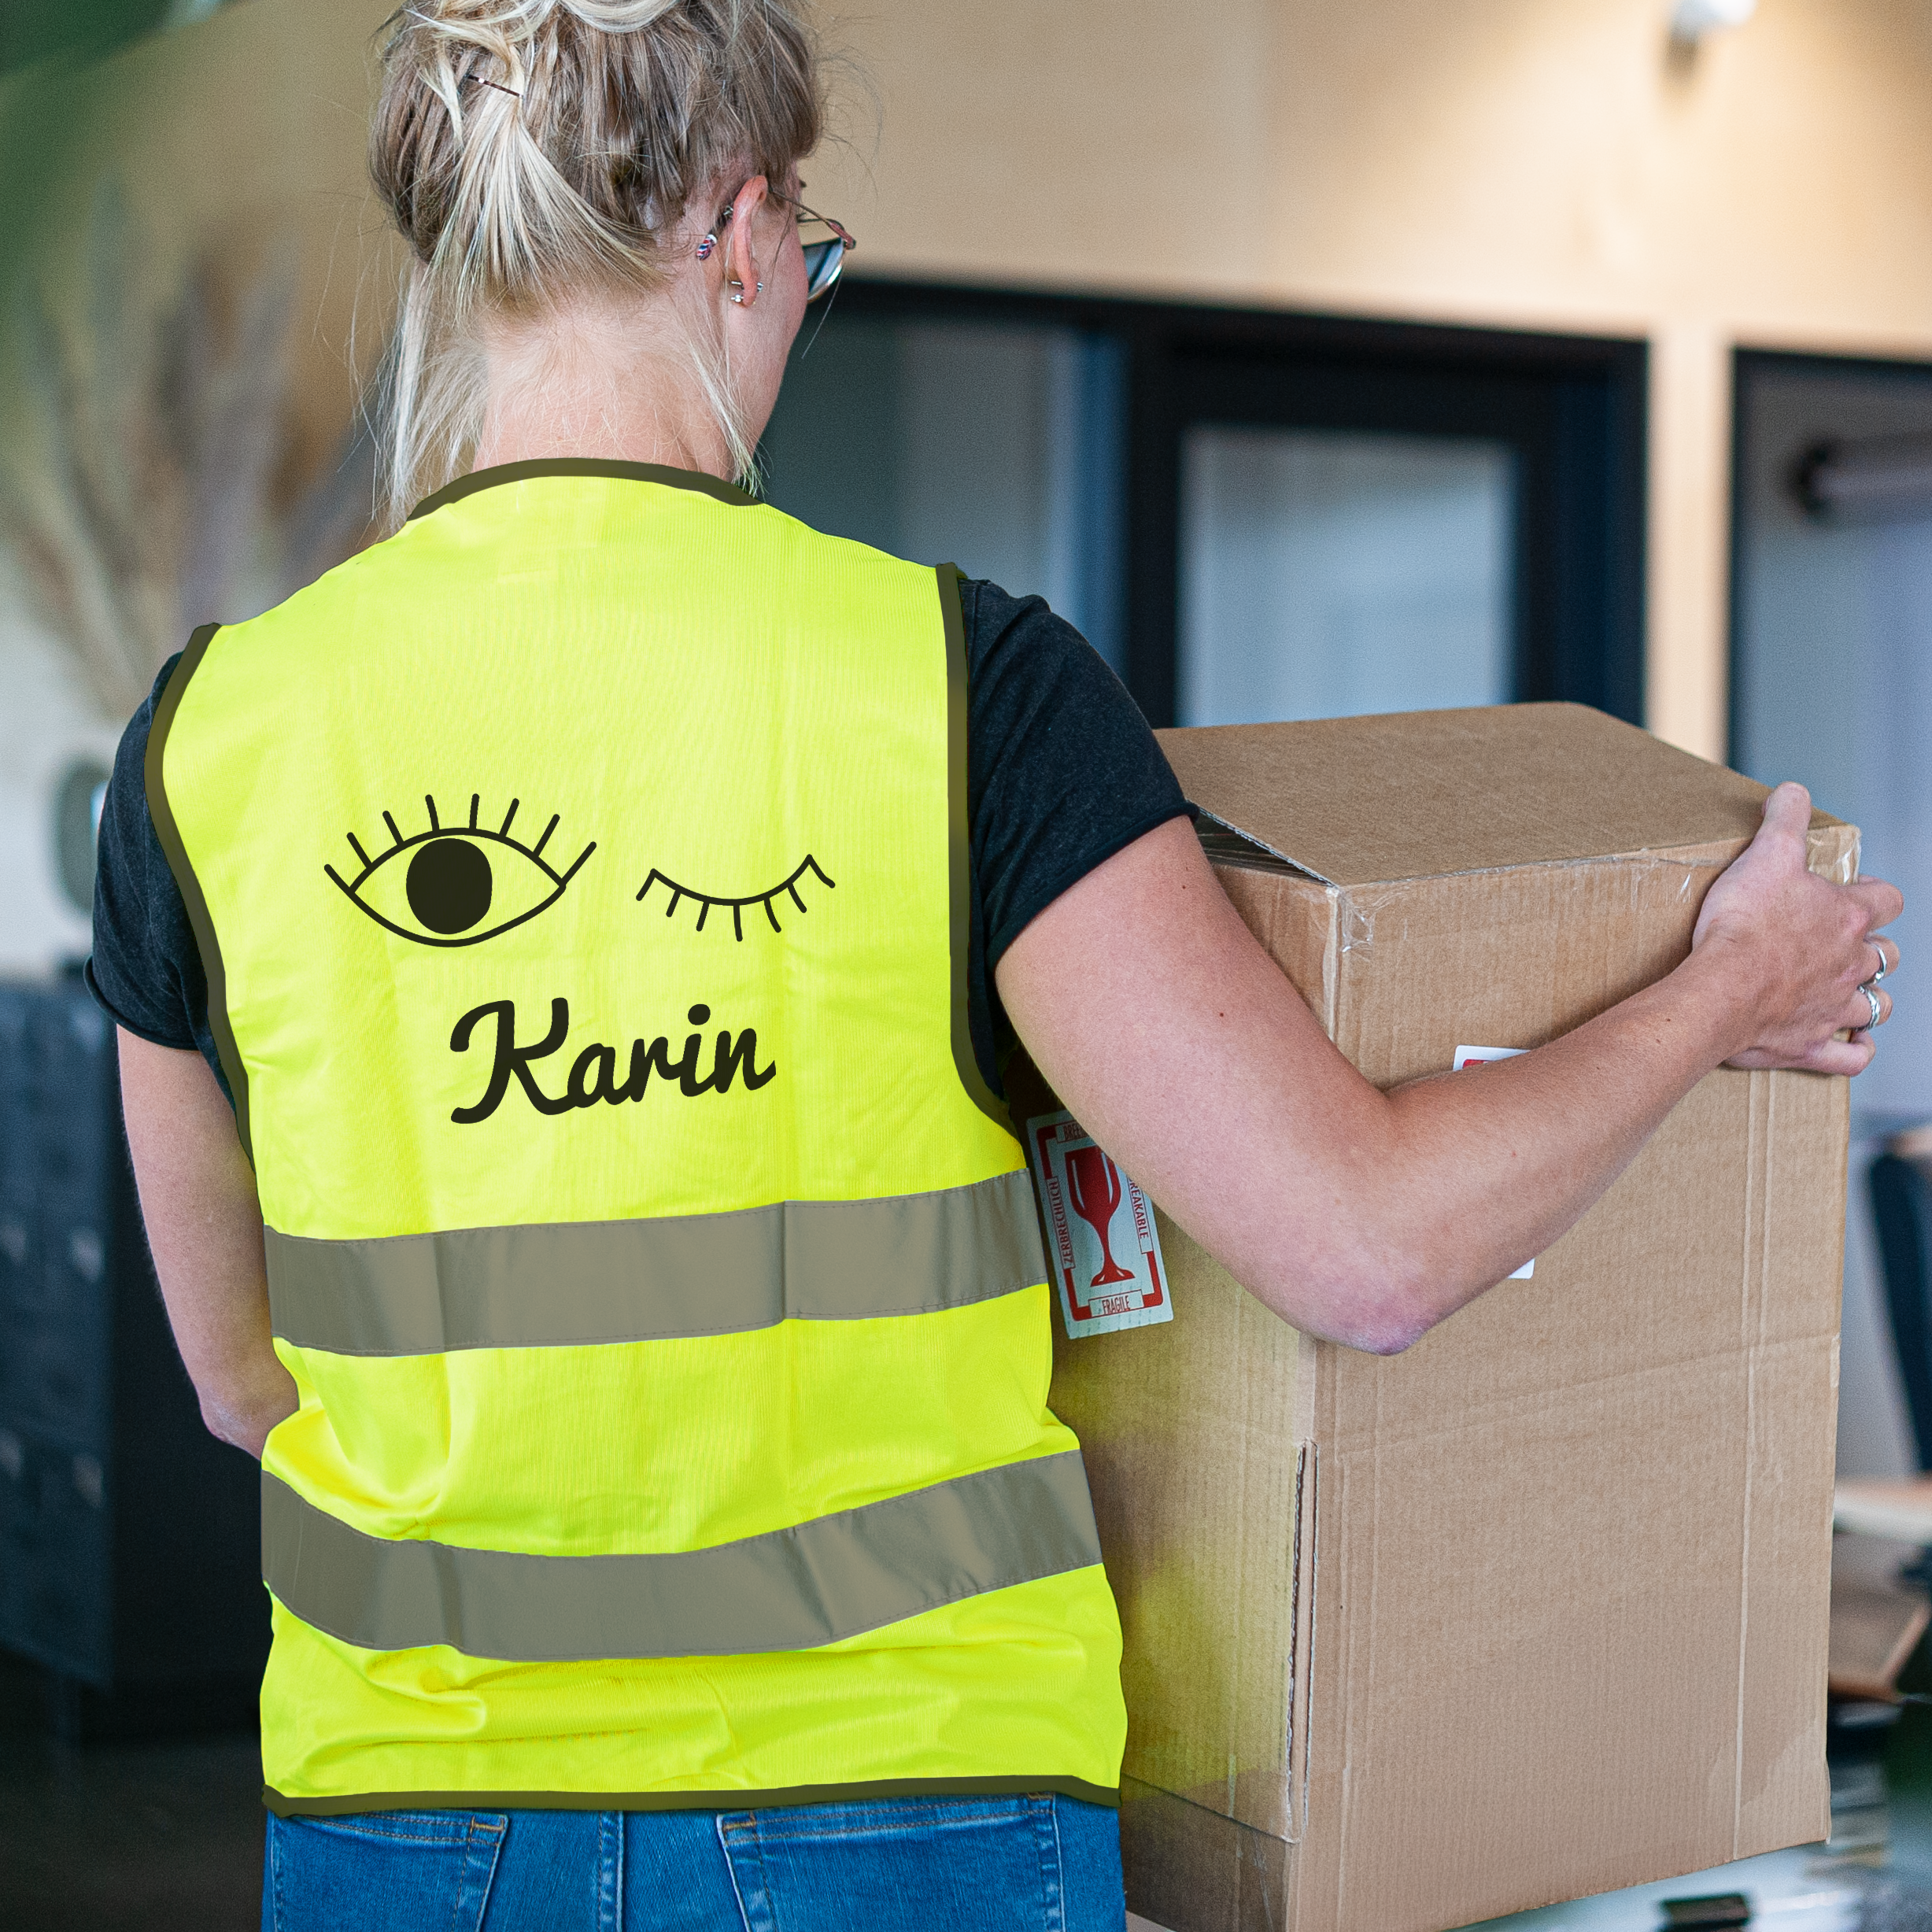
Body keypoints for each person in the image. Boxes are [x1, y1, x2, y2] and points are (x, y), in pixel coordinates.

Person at [86, 2, 1900, 1928]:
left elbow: (239, 1377)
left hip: (404, 1826)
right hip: (900, 1815)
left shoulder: (209, 743)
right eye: (809, 256)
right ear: (739, 230)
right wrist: (1731, 988)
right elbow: (1363, 1252)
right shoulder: (955, 690)